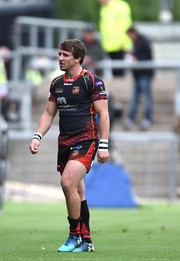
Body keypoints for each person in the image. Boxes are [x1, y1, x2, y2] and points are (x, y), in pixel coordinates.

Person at [29, 39, 110, 252]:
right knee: (76, 191)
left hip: (86, 140)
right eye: (59, 54)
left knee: (67, 183)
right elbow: (48, 113)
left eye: (65, 55)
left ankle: (74, 236)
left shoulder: (91, 81)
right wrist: (37, 135)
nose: (60, 58)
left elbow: (104, 113)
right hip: (64, 142)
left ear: (78, 58)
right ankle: (88, 240)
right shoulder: (56, 83)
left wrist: (103, 144)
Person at [124, 26, 154, 131]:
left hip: (145, 74)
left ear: (133, 33)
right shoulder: (135, 43)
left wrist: (136, 58)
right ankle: (132, 118)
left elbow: (148, 56)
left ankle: (147, 118)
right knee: (135, 97)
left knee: (146, 97)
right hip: (137, 75)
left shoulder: (144, 41)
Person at [98, 0, 132, 77]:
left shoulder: (120, 6)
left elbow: (126, 26)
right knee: (110, 74)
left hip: (119, 46)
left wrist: (124, 43)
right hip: (108, 46)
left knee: (118, 74)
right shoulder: (104, 8)